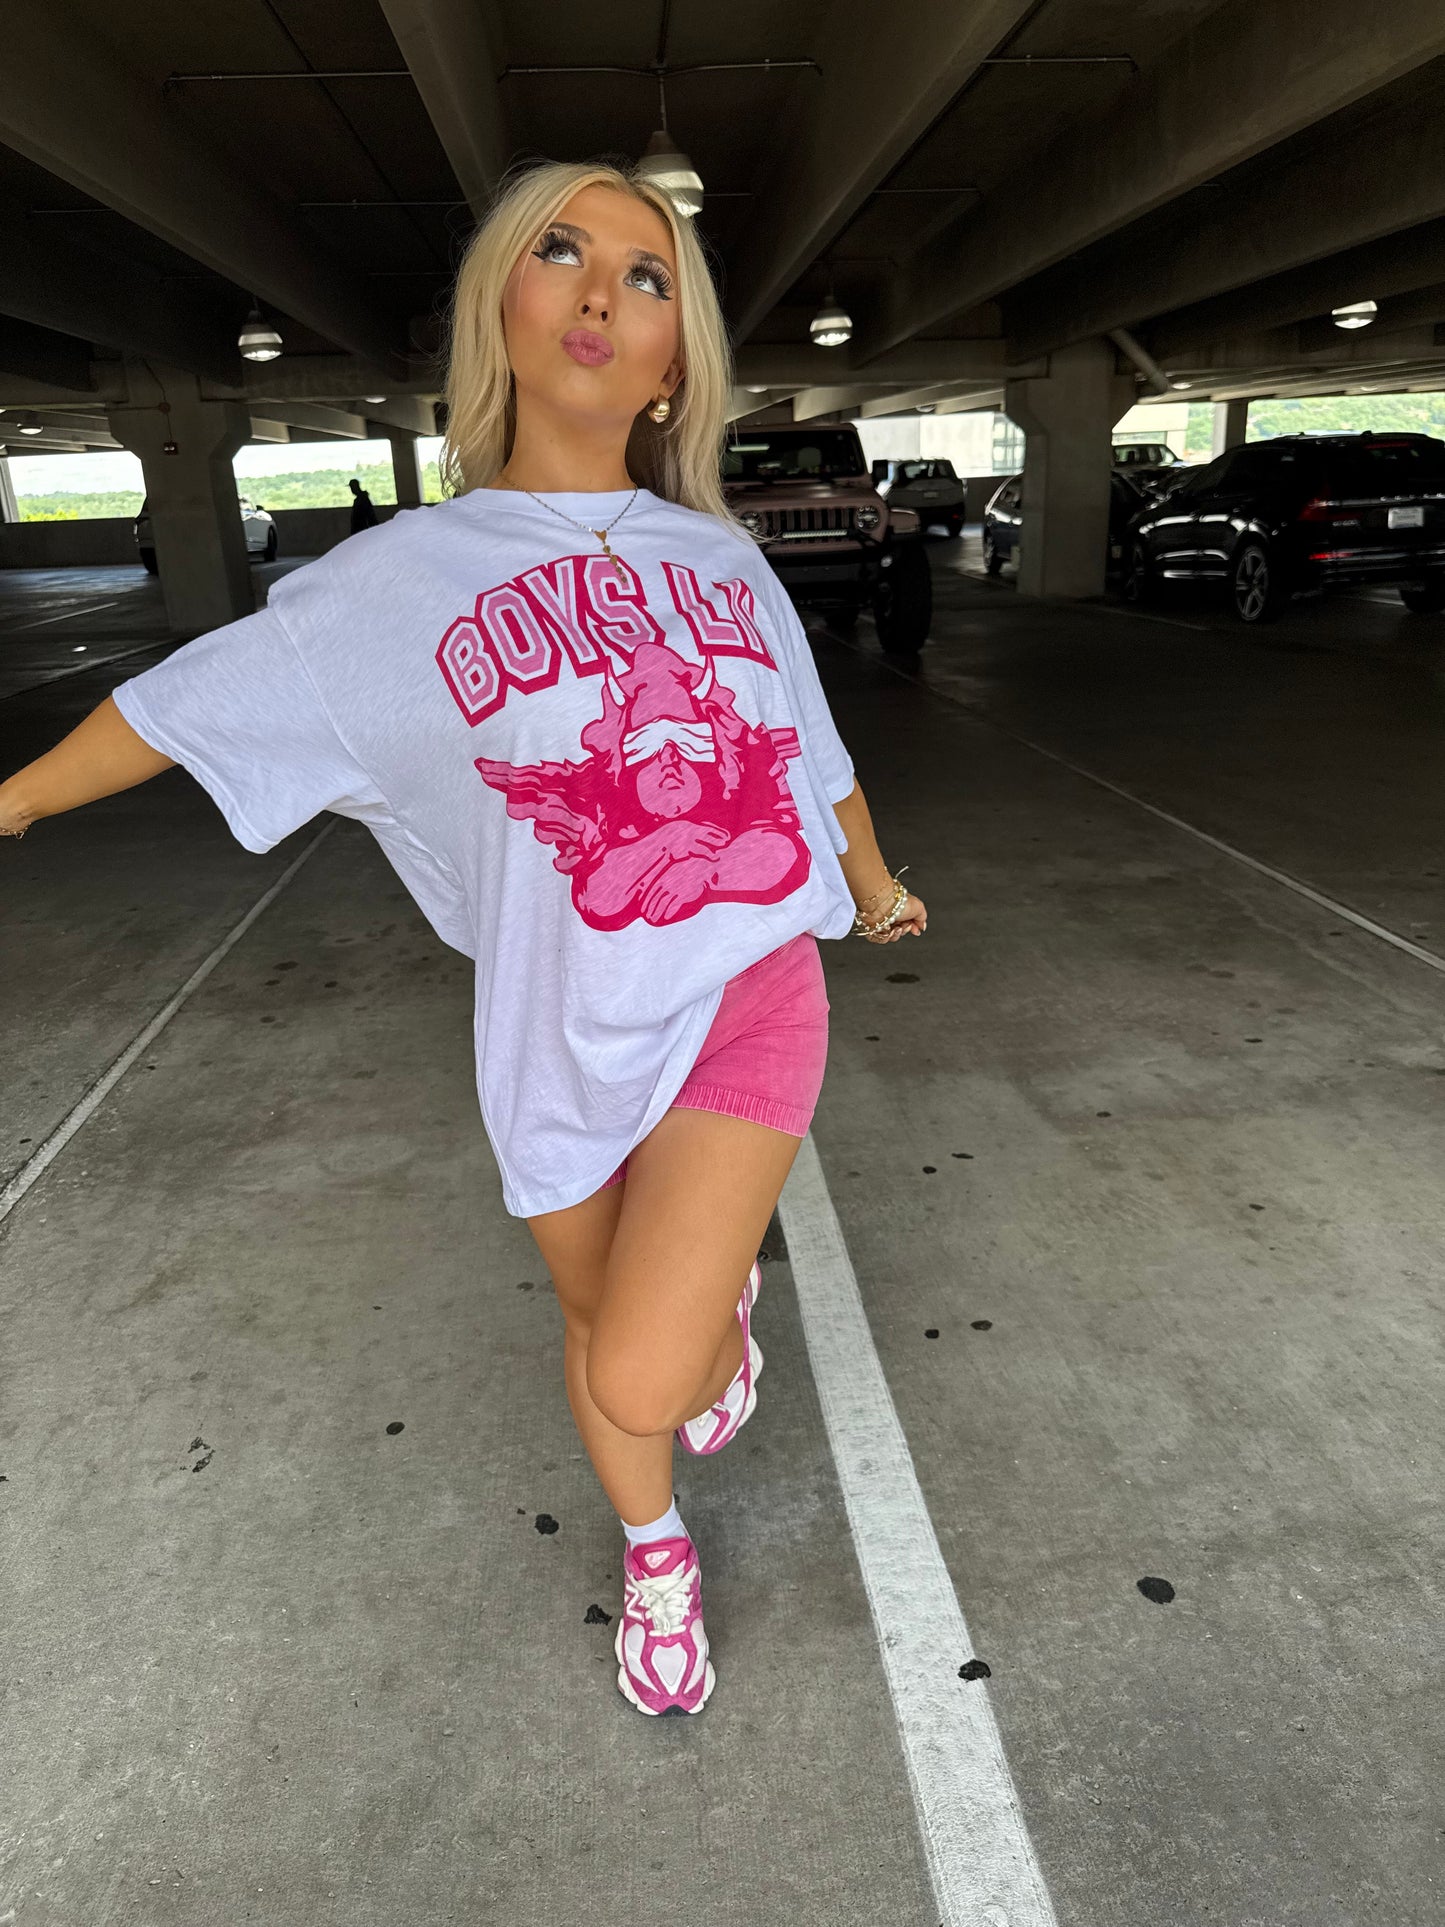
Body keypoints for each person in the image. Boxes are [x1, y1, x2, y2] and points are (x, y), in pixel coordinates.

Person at [0, 159, 927, 1718]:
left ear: (672, 362)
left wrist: (875, 883)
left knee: (649, 1367)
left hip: (740, 992)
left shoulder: (720, 560)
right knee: (593, 1319)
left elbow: (810, 756)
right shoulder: (390, 586)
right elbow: (175, 710)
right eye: (562, 251)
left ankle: (713, 1327)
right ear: (501, 304)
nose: (602, 290)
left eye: (647, 276)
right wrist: (14, 801)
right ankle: (655, 1554)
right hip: (554, 1026)